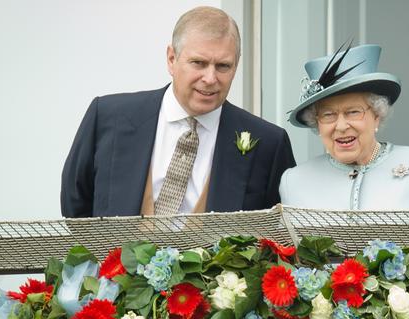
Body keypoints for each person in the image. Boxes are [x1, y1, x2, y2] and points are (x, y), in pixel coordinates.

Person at [61, 6, 295, 218]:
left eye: (223, 66)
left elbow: (276, 231)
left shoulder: (269, 144)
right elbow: (75, 204)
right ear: (172, 59)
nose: (210, 78)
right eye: (199, 63)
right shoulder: (107, 117)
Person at [280, 43, 409, 210]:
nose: (341, 126)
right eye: (328, 115)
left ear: (376, 115)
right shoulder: (294, 182)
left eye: (353, 112)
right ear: (316, 123)